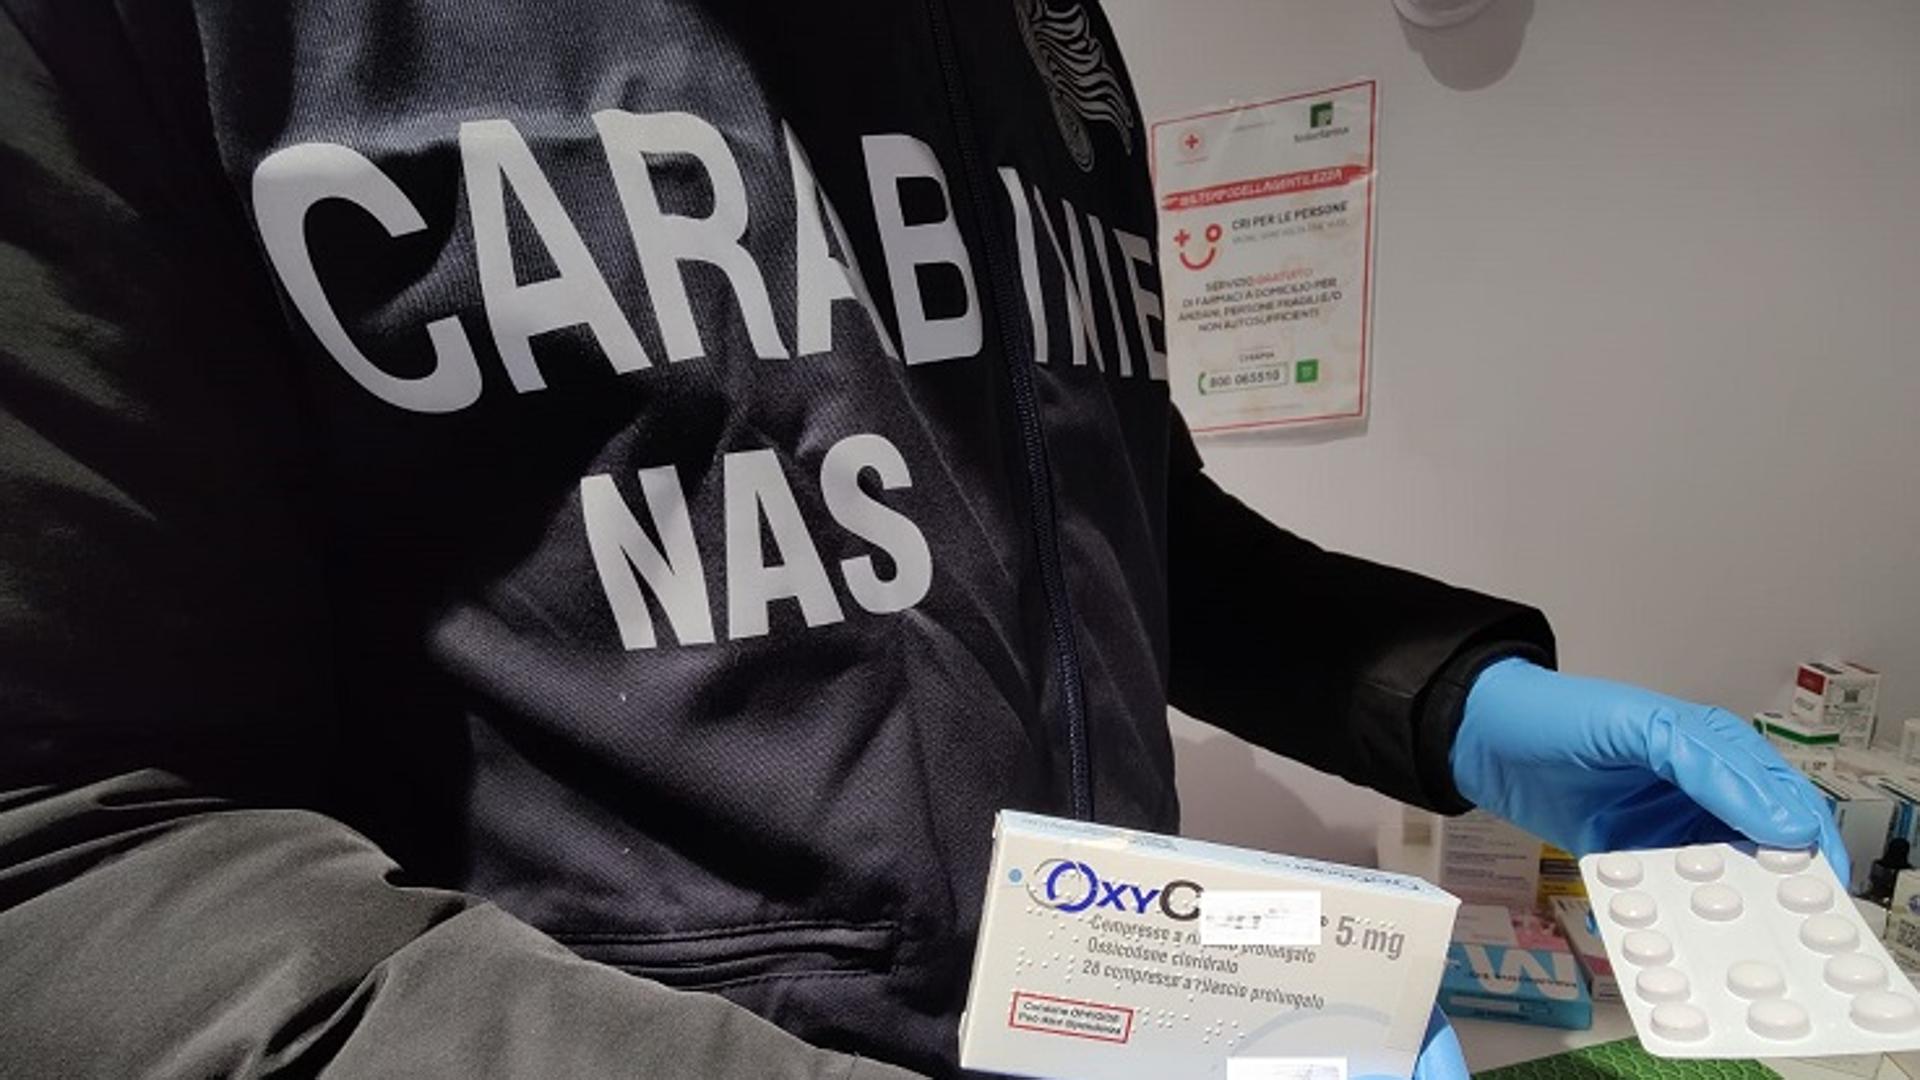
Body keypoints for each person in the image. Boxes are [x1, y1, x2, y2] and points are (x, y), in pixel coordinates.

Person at [0, 2, 1843, 1078]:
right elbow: (69, 854)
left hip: (1120, 1005)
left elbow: (1118, 515)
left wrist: (1447, 701)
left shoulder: (1038, 33)